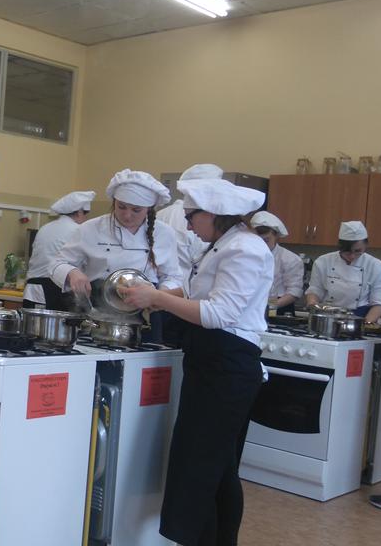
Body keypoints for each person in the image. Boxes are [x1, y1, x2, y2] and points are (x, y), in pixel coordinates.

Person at [119, 178, 272, 546]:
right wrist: (153, 295)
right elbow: (199, 296)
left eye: (190, 216)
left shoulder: (244, 250)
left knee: (200, 466)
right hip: (212, 362)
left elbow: (219, 313)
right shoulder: (222, 245)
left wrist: (157, 297)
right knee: (217, 467)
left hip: (227, 366)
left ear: (214, 214)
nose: (188, 225)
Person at [48, 169, 182, 342]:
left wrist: (161, 295)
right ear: (114, 202)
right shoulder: (91, 228)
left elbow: (173, 276)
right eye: (121, 207)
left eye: (136, 210)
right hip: (98, 313)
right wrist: (72, 273)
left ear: (149, 209)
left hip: (146, 316)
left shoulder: (164, 233)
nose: (127, 215)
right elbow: (56, 263)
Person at [305, 221, 381, 323]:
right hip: (328, 316)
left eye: (358, 251)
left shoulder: (376, 266)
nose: (352, 256)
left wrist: (365, 325)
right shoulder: (323, 261)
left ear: (366, 245)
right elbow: (315, 290)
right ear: (339, 247)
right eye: (347, 251)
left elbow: (379, 303)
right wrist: (313, 306)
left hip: (362, 317)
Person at [23, 190, 95, 310]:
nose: (86, 218)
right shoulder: (79, 230)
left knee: (31, 322)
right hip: (56, 290)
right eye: (85, 214)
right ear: (79, 212)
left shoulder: (45, 228)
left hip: (32, 289)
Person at [156, 163, 224, 287]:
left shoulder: (161, 214)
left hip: (169, 288)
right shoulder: (203, 221)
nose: (189, 227)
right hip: (181, 290)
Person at [250, 211, 304, 316]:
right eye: (257, 240)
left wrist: (268, 306)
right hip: (249, 305)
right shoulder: (244, 257)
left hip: (280, 307)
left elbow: (294, 292)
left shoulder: (290, 259)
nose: (261, 245)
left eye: (266, 240)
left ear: (276, 236)